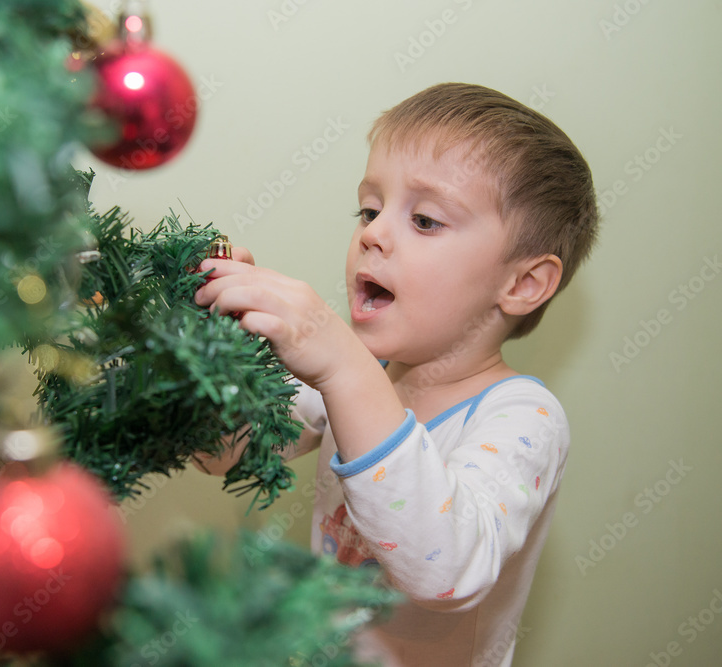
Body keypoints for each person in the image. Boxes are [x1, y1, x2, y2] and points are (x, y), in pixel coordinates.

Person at [193, 82, 598, 666]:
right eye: (369, 208)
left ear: (522, 284)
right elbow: (227, 452)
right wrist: (214, 351)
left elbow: (447, 571)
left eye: (426, 220)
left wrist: (343, 367)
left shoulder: (522, 417)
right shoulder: (359, 374)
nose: (372, 234)